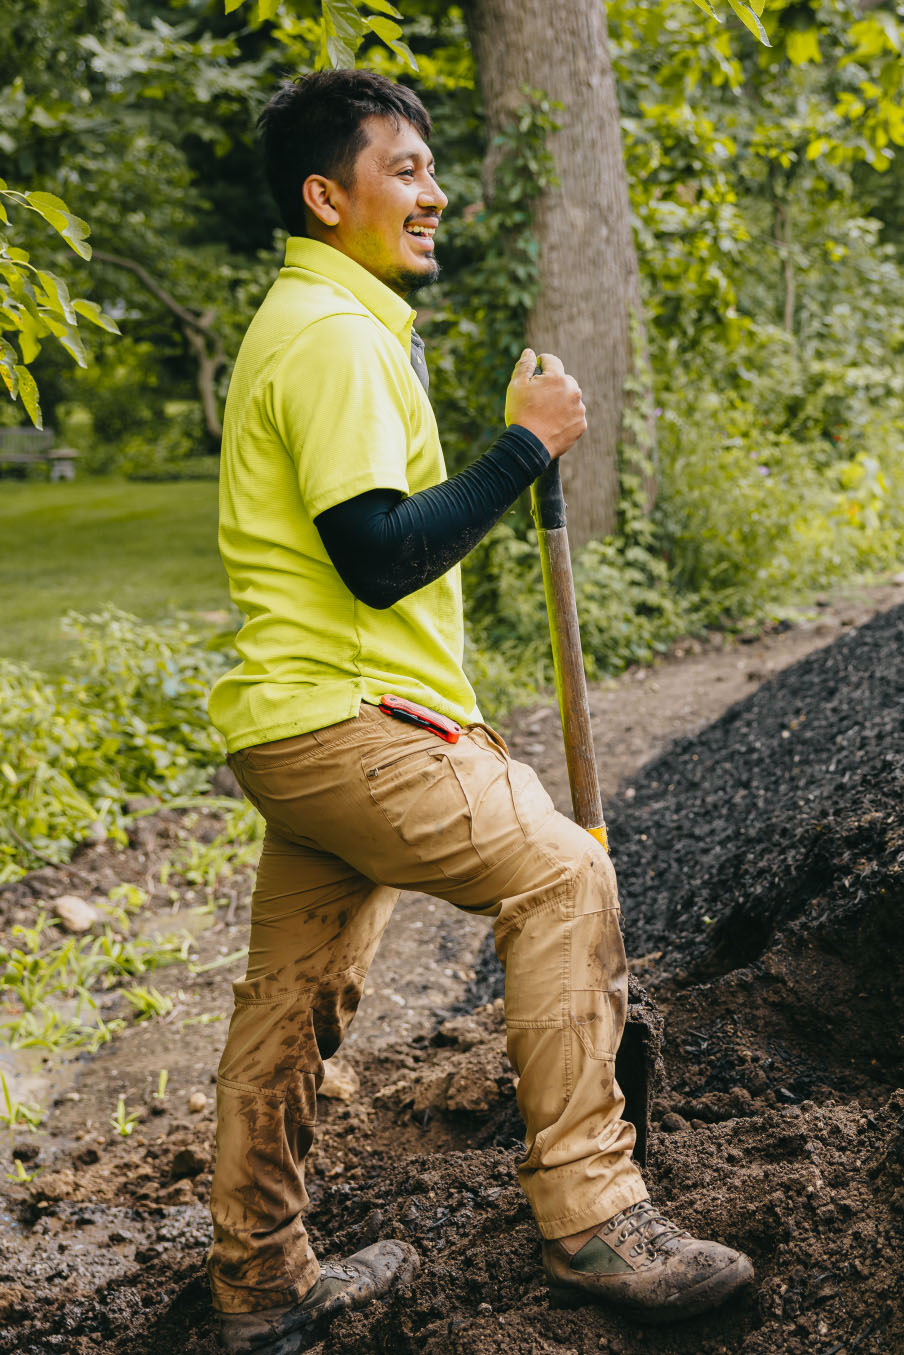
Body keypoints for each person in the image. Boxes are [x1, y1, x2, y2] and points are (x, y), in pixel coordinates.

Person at [206, 68, 754, 1355]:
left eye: (430, 166)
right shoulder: (337, 338)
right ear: (324, 196)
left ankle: (261, 1281)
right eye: (404, 169)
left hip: (290, 727)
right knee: (562, 877)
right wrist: (524, 448)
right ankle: (595, 1216)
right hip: (353, 719)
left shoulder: (311, 318)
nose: (434, 191)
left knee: (290, 1000)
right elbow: (380, 553)